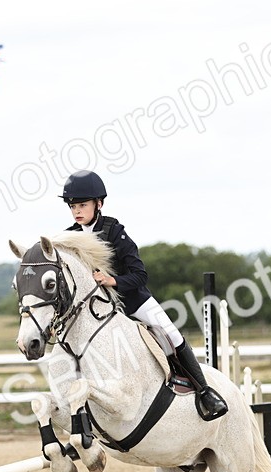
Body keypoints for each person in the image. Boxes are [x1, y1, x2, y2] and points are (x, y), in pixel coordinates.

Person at [60, 170, 228, 421]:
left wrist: (112, 280)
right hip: (97, 308)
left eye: (82, 205)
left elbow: (140, 275)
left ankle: (205, 391)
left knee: (171, 333)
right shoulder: (68, 237)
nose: (77, 211)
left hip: (132, 301)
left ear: (99, 204)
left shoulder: (115, 231)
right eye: (73, 206)